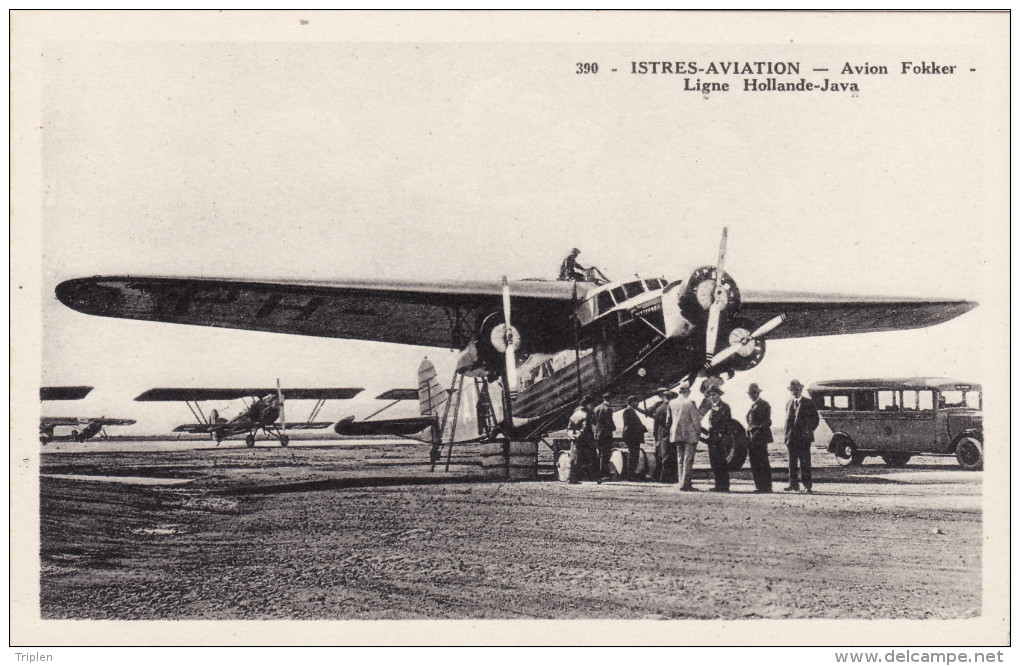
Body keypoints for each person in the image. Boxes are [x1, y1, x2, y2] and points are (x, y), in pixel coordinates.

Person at [784, 379, 820, 492]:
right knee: (792, 463)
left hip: (804, 439)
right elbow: (787, 421)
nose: (795, 392)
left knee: (805, 463)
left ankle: (807, 486)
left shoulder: (808, 403)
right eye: (793, 390)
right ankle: (793, 484)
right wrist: (786, 437)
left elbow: (816, 419)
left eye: (797, 390)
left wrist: (808, 431)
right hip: (791, 439)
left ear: (801, 390)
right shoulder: (789, 403)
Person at [668, 381, 702, 491]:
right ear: (688, 392)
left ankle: (680, 482)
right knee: (688, 459)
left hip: (676, 434)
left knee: (680, 458)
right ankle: (686, 484)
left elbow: (668, 421)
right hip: (689, 434)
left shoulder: (672, 403)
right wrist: (698, 433)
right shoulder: (690, 403)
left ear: (679, 391)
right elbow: (696, 421)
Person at [700, 384, 732, 492]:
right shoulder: (713, 407)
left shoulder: (724, 406)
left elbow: (725, 423)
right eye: (710, 395)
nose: (712, 397)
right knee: (714, 462)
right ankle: (718, 484)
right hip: (713, 438)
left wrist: (721, 435)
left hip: (720, 438)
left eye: (714, 394)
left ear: (718, 395)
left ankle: (724, 485)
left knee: (721, 462)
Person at [745, 383, 774, 493]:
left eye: (754, 393)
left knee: (762, 462)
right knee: (755, 462)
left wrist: (757, 429)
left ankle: (766, 486)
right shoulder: (753, 405)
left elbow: (768, 421)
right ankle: (759, 486)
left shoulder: (764, 404)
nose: (752, 395)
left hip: (760, 437)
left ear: (758, 393)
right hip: (752, 438)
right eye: (750, 393)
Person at [566, 395, 596, 483]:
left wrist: (572, 435)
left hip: (575, 439)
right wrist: (579, 435)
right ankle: (594, 477)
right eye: (592, 404)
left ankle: (571, 478)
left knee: (574, 458)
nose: (593, 406)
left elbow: (570, 425)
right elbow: (585, 427)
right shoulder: (587, 413)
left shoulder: (576, 411)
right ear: (588, 404)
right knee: (590, 458)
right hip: (585, 439)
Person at [621, 396, 648, 480]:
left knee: (634, 455)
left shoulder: (631, 411)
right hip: (632, 437)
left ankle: (631, 473)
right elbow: (630, 425)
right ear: (631, 402)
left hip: (633, 437)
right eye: (636, 402)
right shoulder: (628, 411)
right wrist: (641, 428)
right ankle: (630, 474)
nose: (637, 403)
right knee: (633, 455)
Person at [650, 388, 672, 482]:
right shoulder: (667, 406)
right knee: (666, 455)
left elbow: (655, 423)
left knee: (661, 454)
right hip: (666, 433)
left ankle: (659, 476)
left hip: (660, 433)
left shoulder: (658, 407)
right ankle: (664, 477)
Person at [593, 392, 616, 479]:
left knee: (600, 454)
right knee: (605, 455)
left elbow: (594, 421)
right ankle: (603, 474)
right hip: (606, 434)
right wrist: (613, 427)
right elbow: (609, 422)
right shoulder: (608, 409)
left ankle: (600, 474)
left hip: (598, 434)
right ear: (610, 400)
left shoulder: (596, 408)